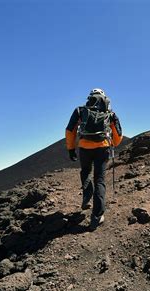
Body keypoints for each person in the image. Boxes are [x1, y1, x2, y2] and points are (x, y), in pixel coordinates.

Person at [65, 88, 123, 229]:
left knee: (85, 171)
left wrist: (71, 149)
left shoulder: (80, 110)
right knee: (100, 180)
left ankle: (87, 193)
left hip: (85, 148)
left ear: (89, 98)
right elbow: (118, 135)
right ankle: (97, 216)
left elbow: (70, 130)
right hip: (102, 149)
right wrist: (113, 144)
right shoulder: (110, 113)